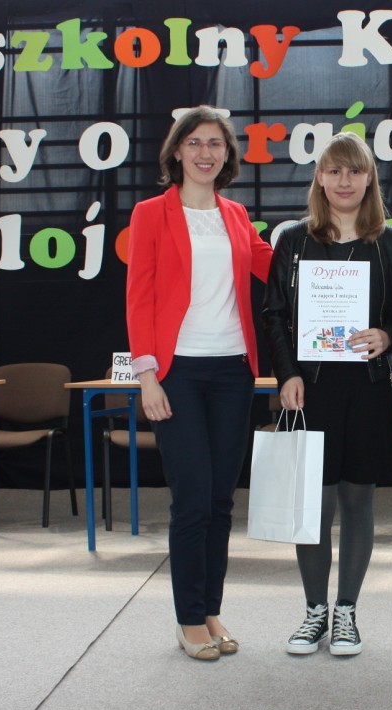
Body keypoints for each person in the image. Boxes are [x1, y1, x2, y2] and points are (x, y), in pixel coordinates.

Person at [126, 105, 273, 661]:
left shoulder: (236, 214)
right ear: (177, 151)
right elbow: (138, 298)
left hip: (233, 371)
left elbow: (274, 266)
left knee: (219, 501)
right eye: (195, 143)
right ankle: (188, 618)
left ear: (227, 154)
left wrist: (336, 249)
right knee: (191, 501)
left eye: (215, 143)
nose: (205, 153)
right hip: (177, 373)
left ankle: (211, 609)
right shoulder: (150, 214)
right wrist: (147, 377)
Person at [262, 132, 392, 656]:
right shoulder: (293, 240)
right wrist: (287, 375)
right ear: (320, 178)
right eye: (334, 170)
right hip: (311, 390)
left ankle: (346, 611)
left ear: (369, 179)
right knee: (314, 506)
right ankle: (313, 612)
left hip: (368, 389)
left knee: (358, 501)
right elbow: (274, 314)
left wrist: (388, 336)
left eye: (354, 171)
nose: (344, 181)